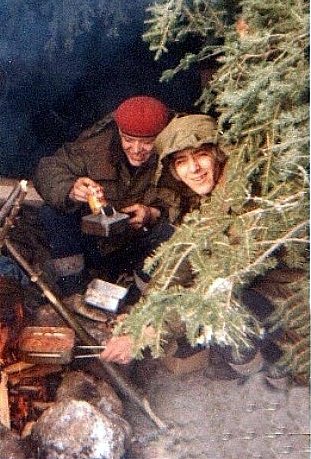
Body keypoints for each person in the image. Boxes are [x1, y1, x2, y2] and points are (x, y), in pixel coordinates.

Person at [100, 115, 290, 373]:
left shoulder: (249, 201)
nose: (194, 169)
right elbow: (179, 264)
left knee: (230, 306)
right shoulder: (205, 200)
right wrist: (142, 315)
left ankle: (266, 373)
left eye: (201, 155)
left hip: (289, 307)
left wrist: (150, 332)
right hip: (251, 294)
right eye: (181, 161)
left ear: (218, 155)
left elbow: (220, 284)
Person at [32, 95, 177, 295]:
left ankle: (139, 300)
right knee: (53, 212)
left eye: (148, 142)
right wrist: (70, 188)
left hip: (141, 247)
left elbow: (191, 204)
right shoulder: (95, 146)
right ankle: (72, 287)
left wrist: (153, 214)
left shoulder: (178, 153)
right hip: (97, 244)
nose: (136, 150)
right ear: (119, 132)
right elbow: (49, 168)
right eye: (128, 140)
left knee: (169, 233)